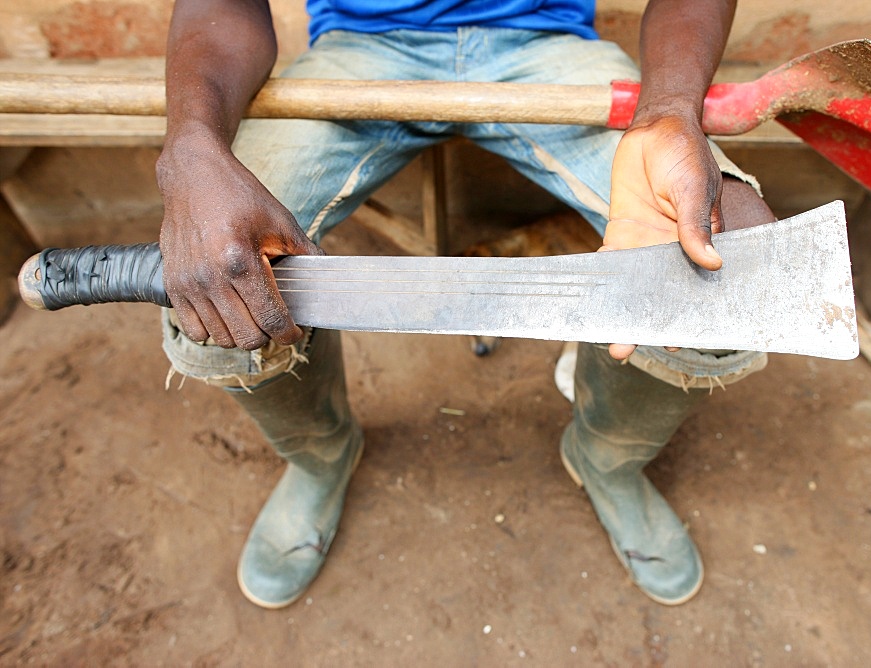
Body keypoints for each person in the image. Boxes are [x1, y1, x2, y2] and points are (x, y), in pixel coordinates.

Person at [155, 0, 776, 609]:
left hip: (543, 45)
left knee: (722, 264)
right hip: (361, 50)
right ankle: (321, 458)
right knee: (222, 278)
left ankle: (607, 460)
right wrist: (190, 145)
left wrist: (669, 110)